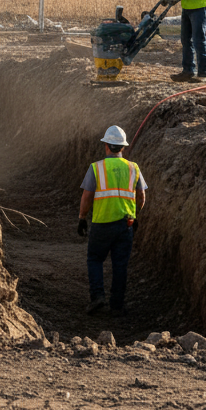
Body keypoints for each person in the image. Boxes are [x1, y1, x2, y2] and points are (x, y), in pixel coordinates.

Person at [77, 125, 147, 316]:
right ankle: (117, 305)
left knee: (95, 259)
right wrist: (136, 215)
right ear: (122, 147)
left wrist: (82, 218)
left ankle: (98, 297)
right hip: (126, 225)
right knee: (120, 264)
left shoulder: (96, 168)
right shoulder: (134, 168)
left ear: (107, 145)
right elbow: (141, 196)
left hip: (102, 224)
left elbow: (87, 196)